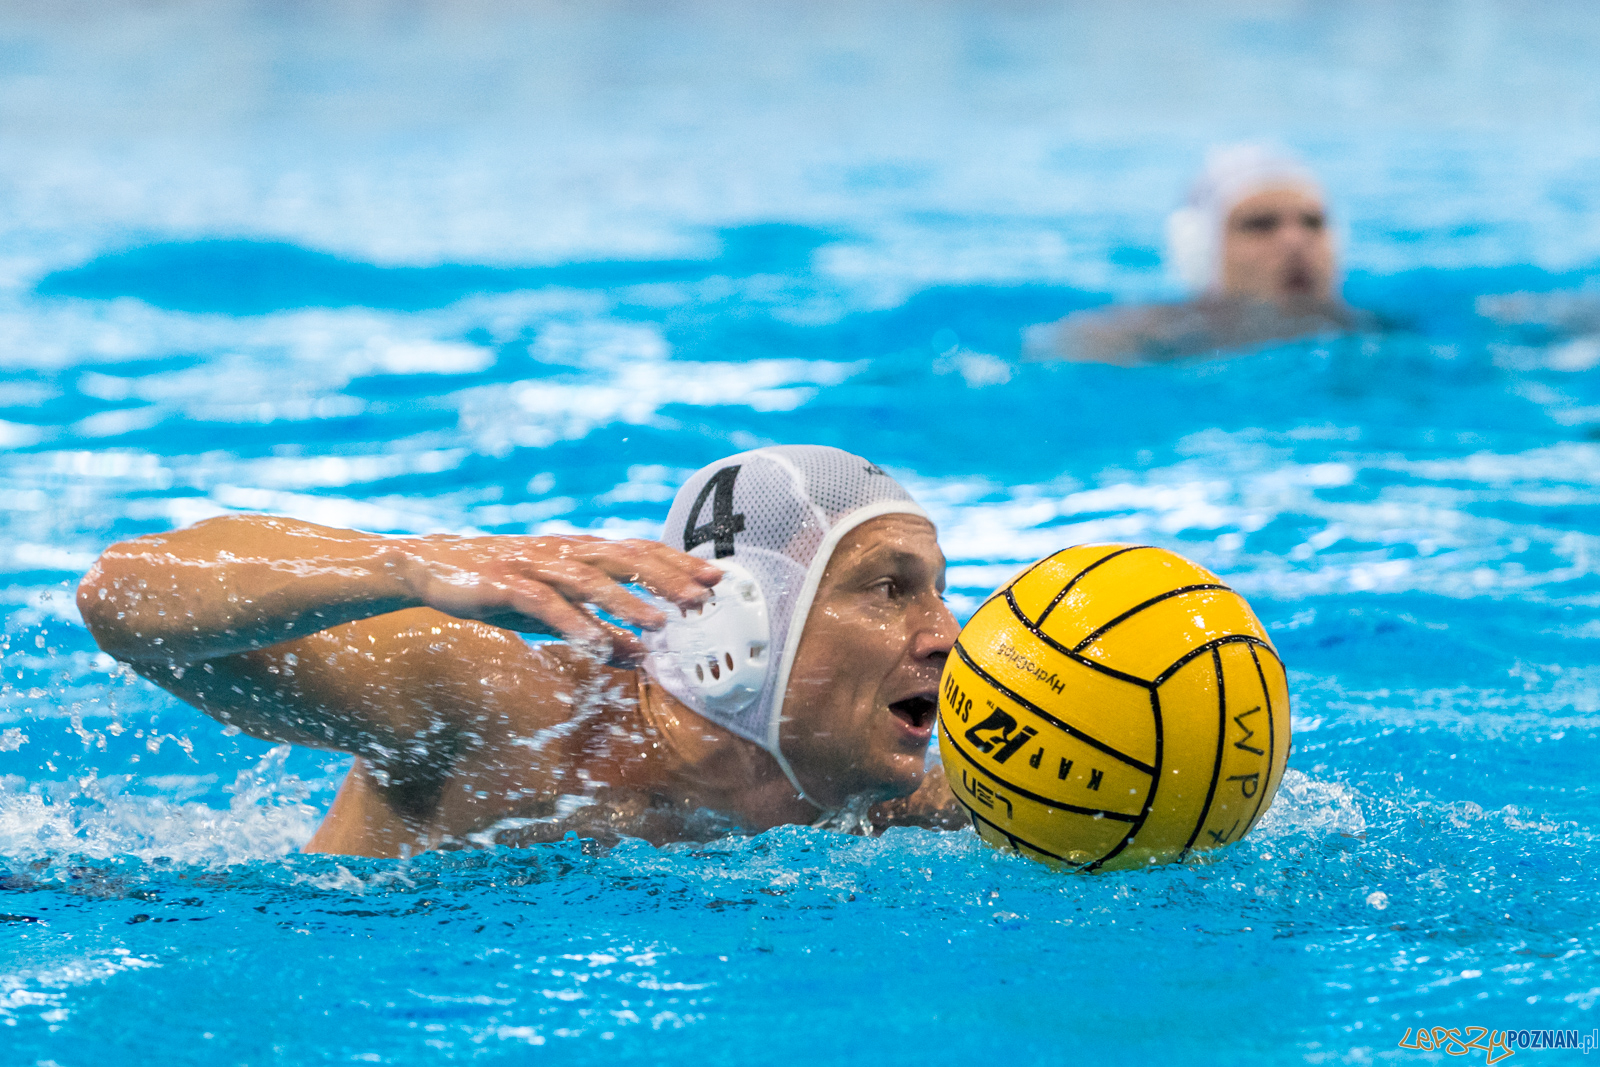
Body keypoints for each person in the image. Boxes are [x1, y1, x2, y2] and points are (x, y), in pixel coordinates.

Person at [77, 445, 966, 857]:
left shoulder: (892, 802)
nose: (945, 634)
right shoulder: (509, 710)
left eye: (936, 588)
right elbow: (122, 594)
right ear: (748, 617)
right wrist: (410, 566)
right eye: (890, 588)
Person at [1028, 143, 1372, 364]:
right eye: (1260, 225)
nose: (1295, 241)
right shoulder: (1134, 339)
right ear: (1201, 251)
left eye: (1313, 222)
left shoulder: (1368, 334)